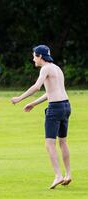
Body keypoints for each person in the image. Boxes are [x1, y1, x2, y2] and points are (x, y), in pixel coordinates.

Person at [11, 45, 71, 189]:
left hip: (55, 108)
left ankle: (58, 176)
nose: (33, 59)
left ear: (40, 56)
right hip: (66, 106)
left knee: (49, 143)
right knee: (62, 142)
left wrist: (20, 98)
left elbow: (37, 87)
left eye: (34, 56)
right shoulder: (56, 68)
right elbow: (51, 92)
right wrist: (33, 103)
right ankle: (68, 174)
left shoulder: (45, 68)